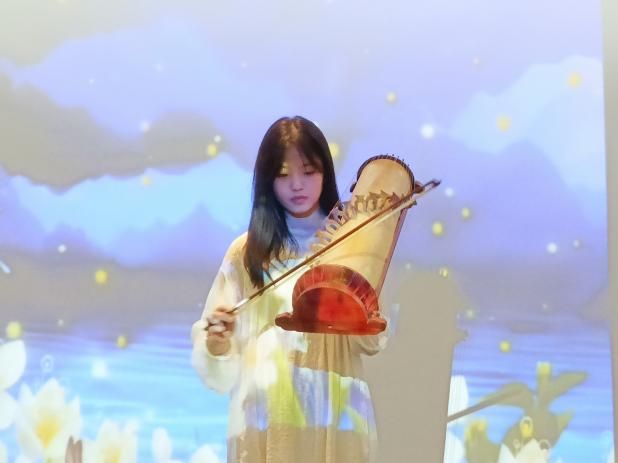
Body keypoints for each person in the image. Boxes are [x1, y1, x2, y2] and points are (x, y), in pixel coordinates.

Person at [191, 116, 385, 463]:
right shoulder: (246, 252)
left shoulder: (352, 245)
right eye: (283, 174)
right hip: (264, 415)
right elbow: (216, 350)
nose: (297, 185)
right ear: (267, 181)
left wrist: (359, 313)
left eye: (308, 171)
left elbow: (369, 342)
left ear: (325, 174)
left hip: (336, 411)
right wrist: (217, 339)